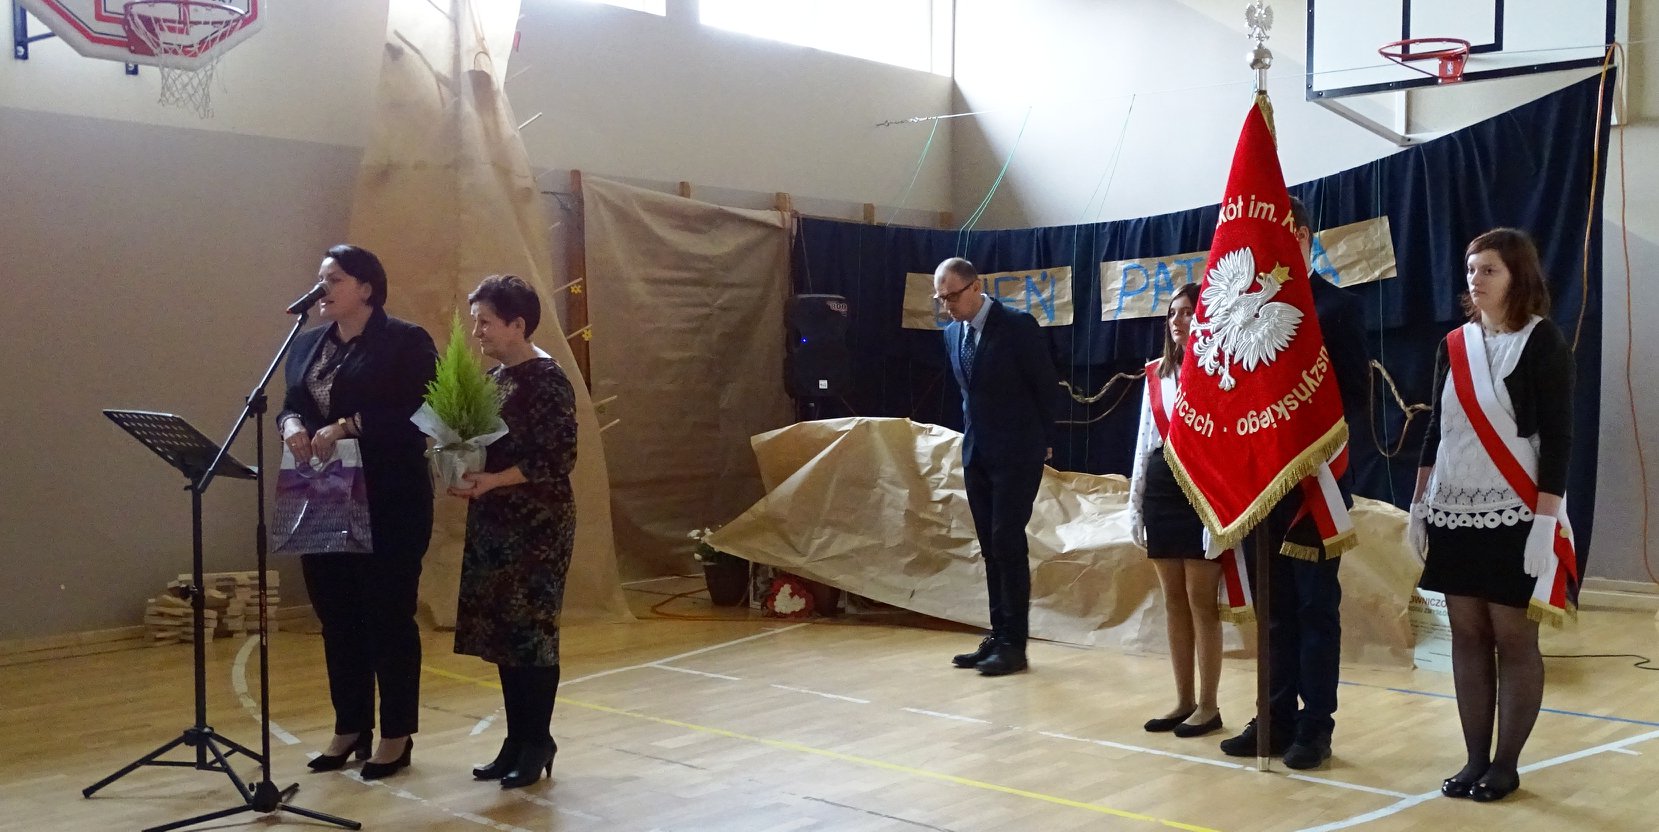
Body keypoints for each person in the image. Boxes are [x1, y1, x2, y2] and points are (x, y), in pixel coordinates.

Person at [1409, 228, 1573, 803]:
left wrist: (1546, 523)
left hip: (1517, 513)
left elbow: (1559, 438)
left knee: (1513, 638)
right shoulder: (1453, 344)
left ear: (1517, 276)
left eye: (1489, 270)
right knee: (1467, 635)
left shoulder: (1542, 340)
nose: (1475, 279)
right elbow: (1436, 427)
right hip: (1454, 508)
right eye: (1471, 269)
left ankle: (1505, 764)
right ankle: (1474, 758)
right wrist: (1419, 503)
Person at [1218, 197, 1370, 769]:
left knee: (1314, 608)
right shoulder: (1245, 310)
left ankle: (1315, 725)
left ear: (1302, 237)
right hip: (1261, 485)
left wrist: (1302, 436)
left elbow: (1355, 398)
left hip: (1314, 485)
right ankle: (1274, 715)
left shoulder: (1337, 308)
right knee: (1273, 608)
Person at [278, 245, 438, 779]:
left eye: (335, 279)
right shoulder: (306, 344)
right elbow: (292, 404)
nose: (322, 289)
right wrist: (291, 426)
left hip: (388, 496)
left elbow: (423, 412)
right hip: (321, 492)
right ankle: (350, 727)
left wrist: (348, 426)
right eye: (321, 278)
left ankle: (395, 734)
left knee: (387, 616)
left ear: (366, 288)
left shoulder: (405, 341)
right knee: (336, 615)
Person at [448, 275, 579, 789]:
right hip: (495, 518)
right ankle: (516, 740)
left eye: (485, 321)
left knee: (532, 634)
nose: (477, 331)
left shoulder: (547, 379)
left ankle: (537, 740)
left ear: (517, 324)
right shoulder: (495, 377)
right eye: (476, 321)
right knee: (505, 634)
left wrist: (493, 480)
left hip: (537, 524)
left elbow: (558, 457)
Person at [934, 257, 1060, 676]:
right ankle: (998, 634)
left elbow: (1045, 385)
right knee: (990, 545)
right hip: (978, 453)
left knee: (1008, 540)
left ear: (975, 287)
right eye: (940, 299)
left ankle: (1014, 644)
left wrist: (1045, 441)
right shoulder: (952, 334)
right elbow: (970, 396)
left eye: (952, 296)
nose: (947, 306)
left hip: (1018, 451)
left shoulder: (1017, 326)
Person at [1128, 284, 1224, 738]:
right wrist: (1135, 505)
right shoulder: (1156, 373)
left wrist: (1219, 514)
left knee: (1201, 601)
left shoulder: (1221, 371)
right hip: (1162, 490)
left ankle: (1209, 704)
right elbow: (1144, 441)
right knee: (1173, 600)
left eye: (1187, 312)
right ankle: (1183, 699)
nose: (1178, 320)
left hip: (1203, 491)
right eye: (1172, 313)